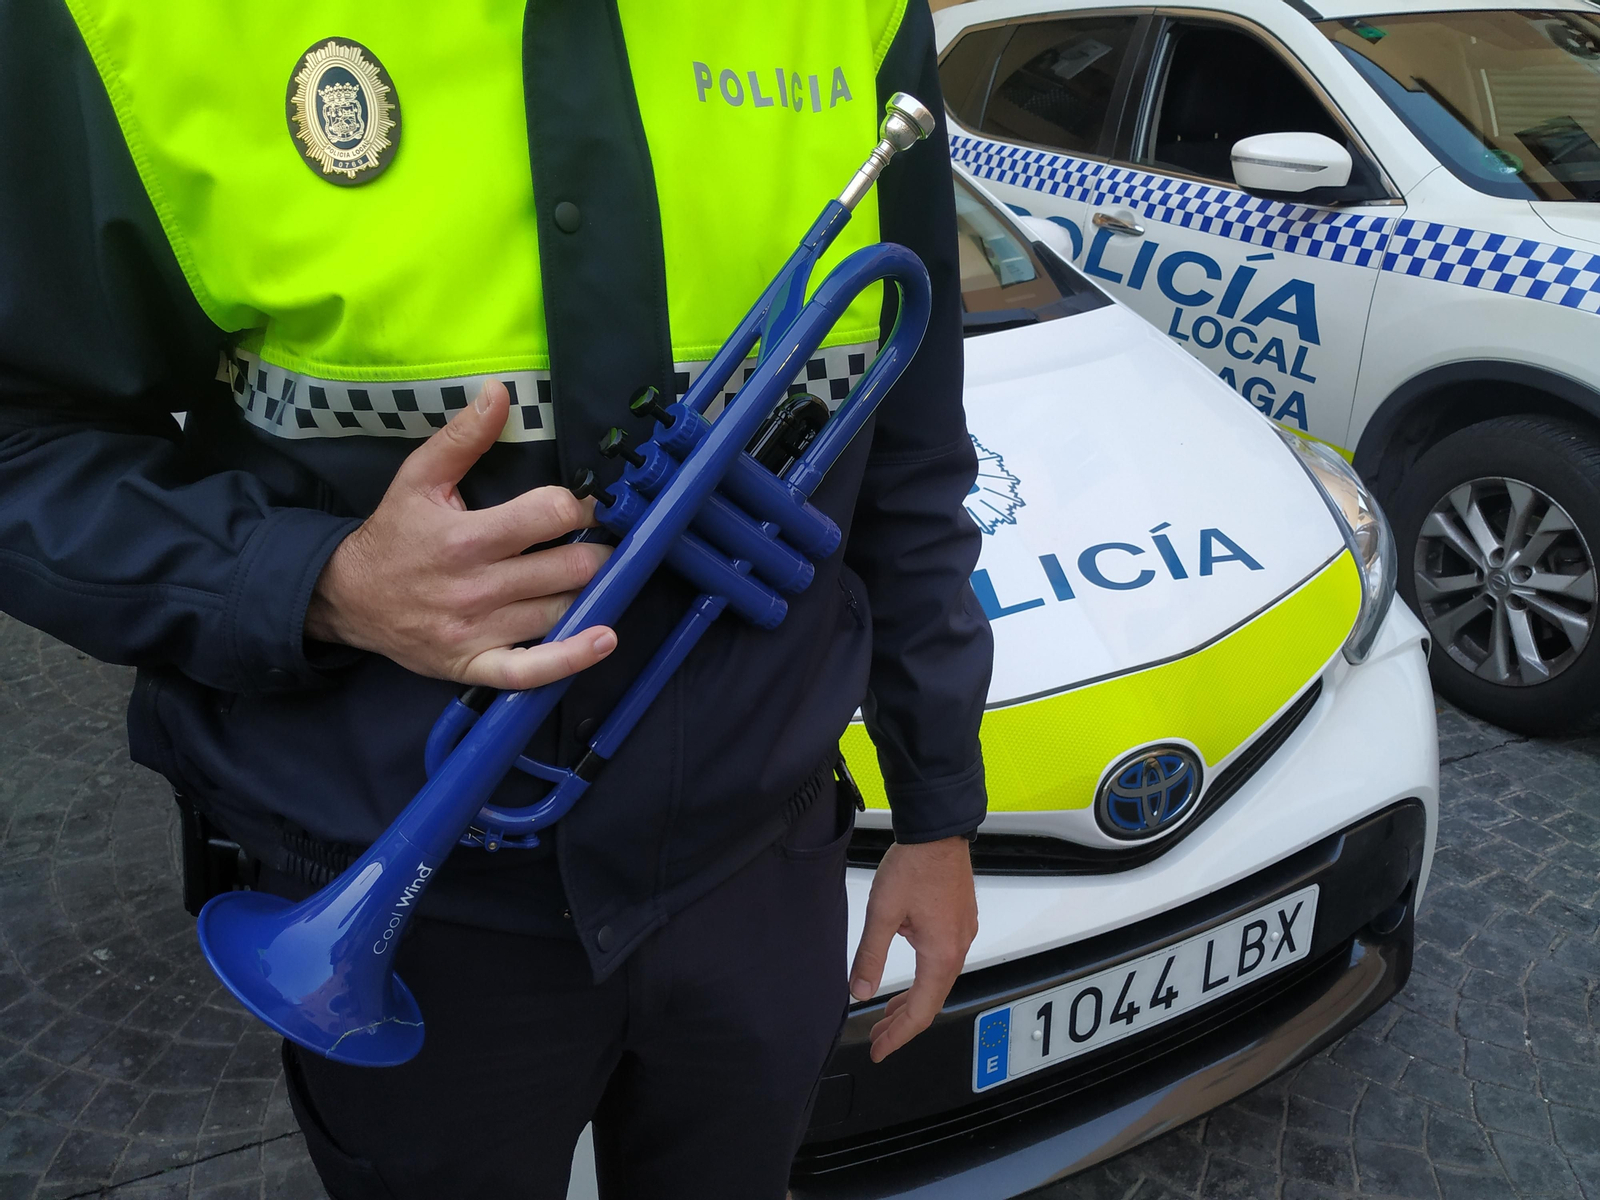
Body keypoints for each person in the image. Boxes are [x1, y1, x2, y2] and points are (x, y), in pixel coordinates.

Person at [0, 0, 993, 1195]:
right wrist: (315, 583)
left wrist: (936, 811)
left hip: (759, 865)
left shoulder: (854, 14)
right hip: (403, 886)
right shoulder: (129, 25)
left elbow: (914, 458)